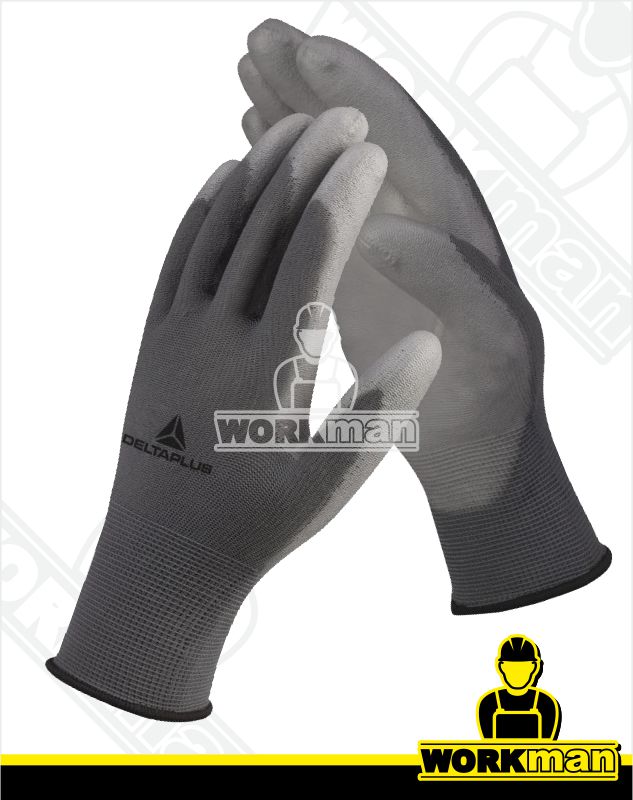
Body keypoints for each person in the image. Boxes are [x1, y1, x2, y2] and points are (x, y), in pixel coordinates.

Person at [477, 635, 561, 739]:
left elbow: (546, 745)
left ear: (535, 667)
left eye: (524, 667)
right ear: (500, 666)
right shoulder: (489, 703)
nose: (517, 673)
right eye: (511, 667)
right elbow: (489, 745)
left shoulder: (546, 703)